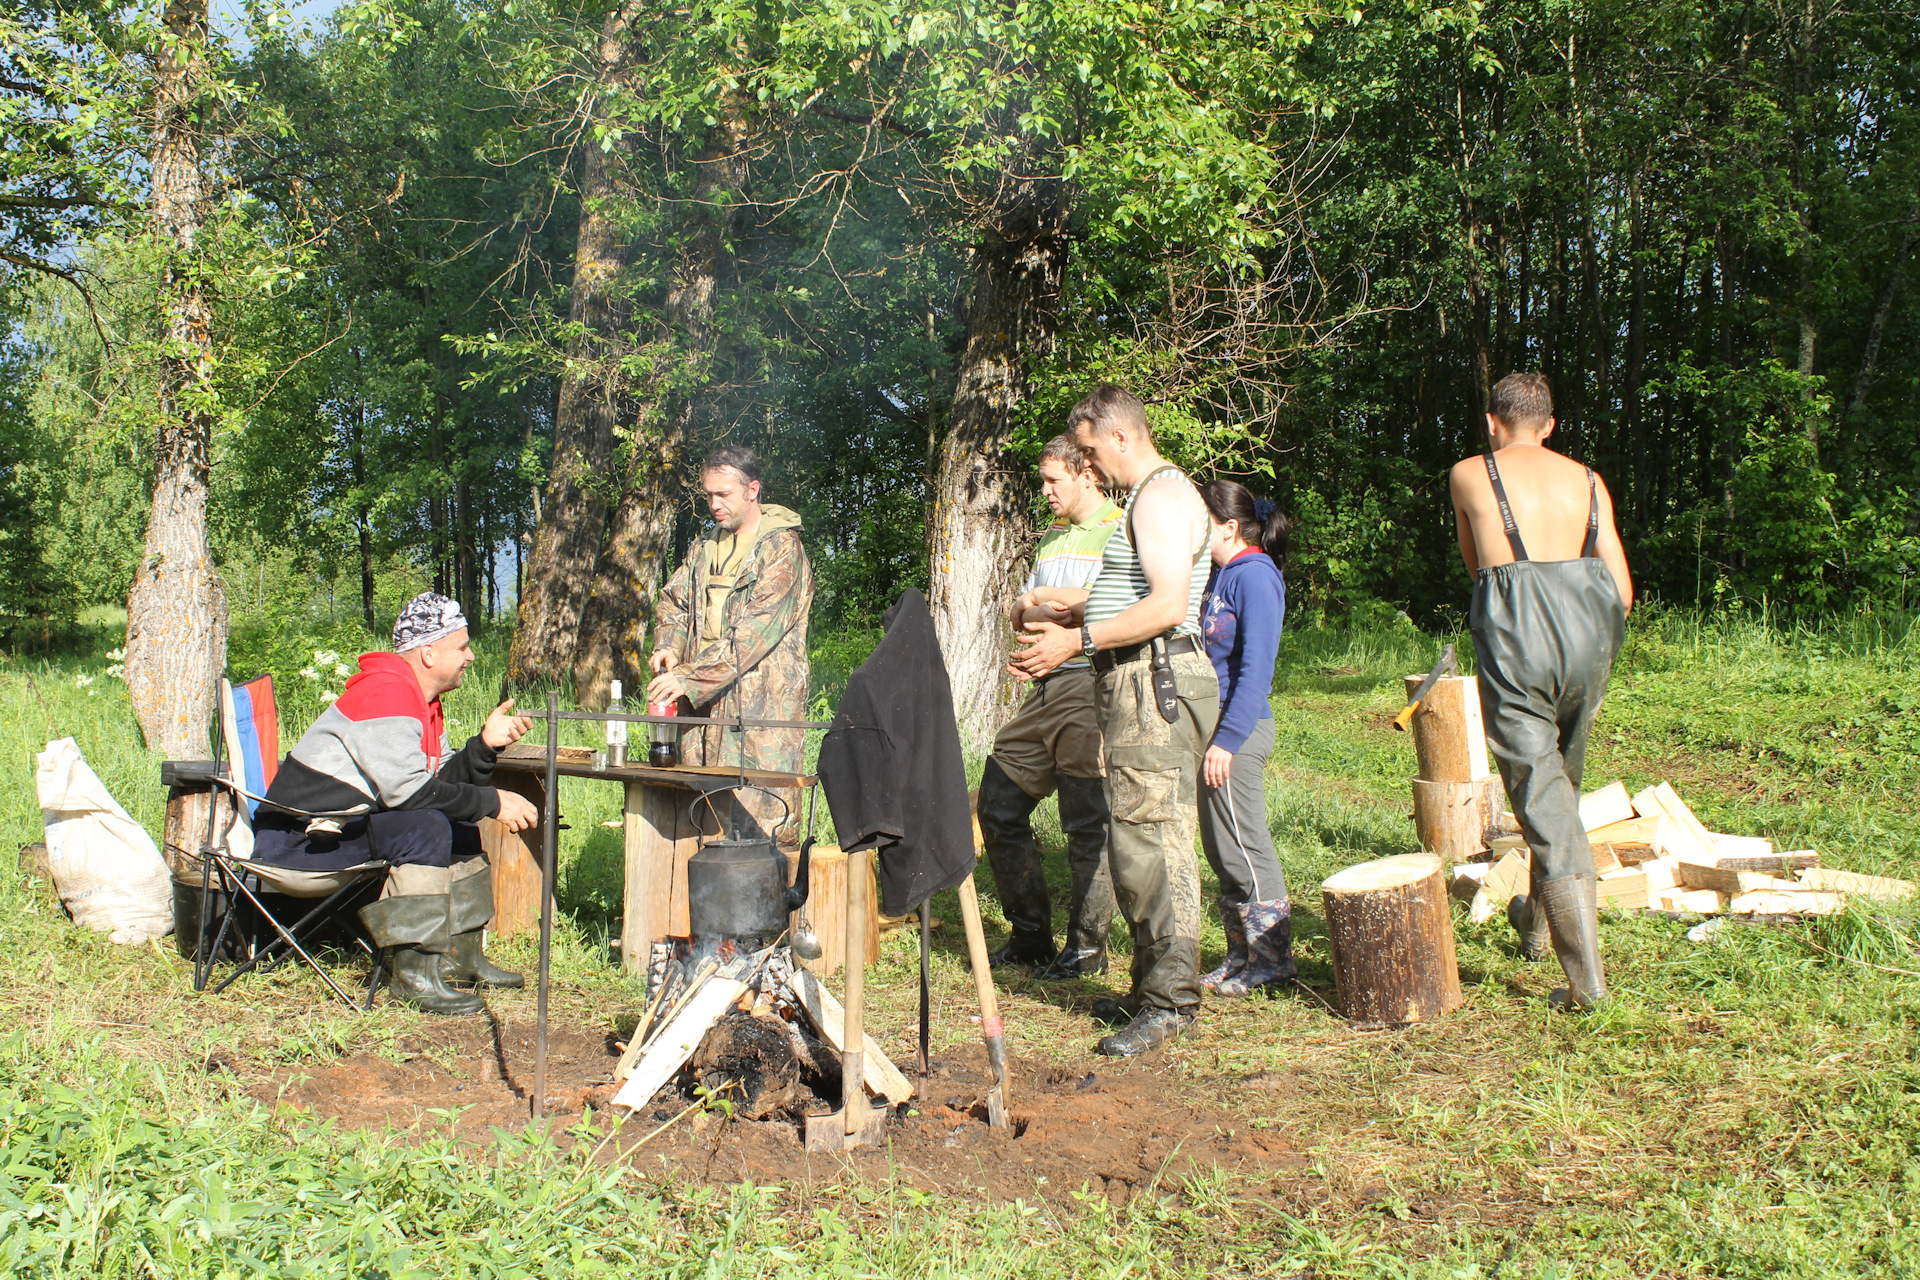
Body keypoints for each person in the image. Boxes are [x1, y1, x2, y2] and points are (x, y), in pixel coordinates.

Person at [1011, 384, 1220, 1057]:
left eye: (1091, 450)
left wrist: (1077, 639)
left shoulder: (1160, 496)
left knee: (1153, 843)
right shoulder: (1149, 499)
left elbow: (1167, 606)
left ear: (1121, 436)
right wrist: (1079, 611)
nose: (1089, 465)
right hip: (1139, 681)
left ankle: (1171, 1002)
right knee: (1135, 841)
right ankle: (1151, 987)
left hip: (1156, 681)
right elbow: (1134, 595)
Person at [255, 592, 538, 1016]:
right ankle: (413, 978)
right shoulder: (386, 693)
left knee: (455, 820)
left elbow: (439, 786)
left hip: (337, 832)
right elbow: (409, 794)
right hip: (298, 845)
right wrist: (493, 800)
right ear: (429, 653)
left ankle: (462, 957)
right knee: (427, 826)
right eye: (462, 647)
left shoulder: (422, 702)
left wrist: (483, 747)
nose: (471, 656)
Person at [1449, 372, 1632, 1010]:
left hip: (1518, 639)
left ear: (1491, 422)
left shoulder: (1470, 474)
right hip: (1589, 643)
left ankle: (1586, 987)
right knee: (1559, 790)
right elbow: (1622, 590)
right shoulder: (1590, 481)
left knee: (1543, 800)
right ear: (1550, 425)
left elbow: (1480, 569)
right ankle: (1534, 923)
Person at [978, 435, 1124, 979]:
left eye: (1052, 480)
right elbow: (1024, 609)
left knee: (1088, 821)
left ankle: (1086, 949)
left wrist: (1044, 603)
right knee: (997, 802)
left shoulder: (1121, 531)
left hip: (1090, 683)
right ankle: (1031, 937)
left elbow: (1111, 608)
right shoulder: (1053, 538)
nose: (1044, 491)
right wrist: (1038, 612)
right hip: (1043, 689)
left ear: (1088, 474)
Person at [646, 445, 814, 845]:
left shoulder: (781, 548)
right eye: (709, 495)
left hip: (759, 709)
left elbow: (755, 633)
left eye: (724, 494)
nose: (714, 504)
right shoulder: (704, 547)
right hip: (701, 706)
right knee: (701, 815)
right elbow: (674, 602)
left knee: (763, 820)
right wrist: (669, 645)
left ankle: (776, 886)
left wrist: (688, 677)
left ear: (752, 490)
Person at [1195, 479, 1296, 998]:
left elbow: (1257, 668)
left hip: (1240, 729)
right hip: (1214, 728)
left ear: (1230, 526)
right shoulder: (1221, 574)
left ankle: (1272, 961)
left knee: (1245, 842)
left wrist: (1228, 740)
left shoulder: (1255, 576)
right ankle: (1241, 957)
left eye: (1203, 521)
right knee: (1222, 847)